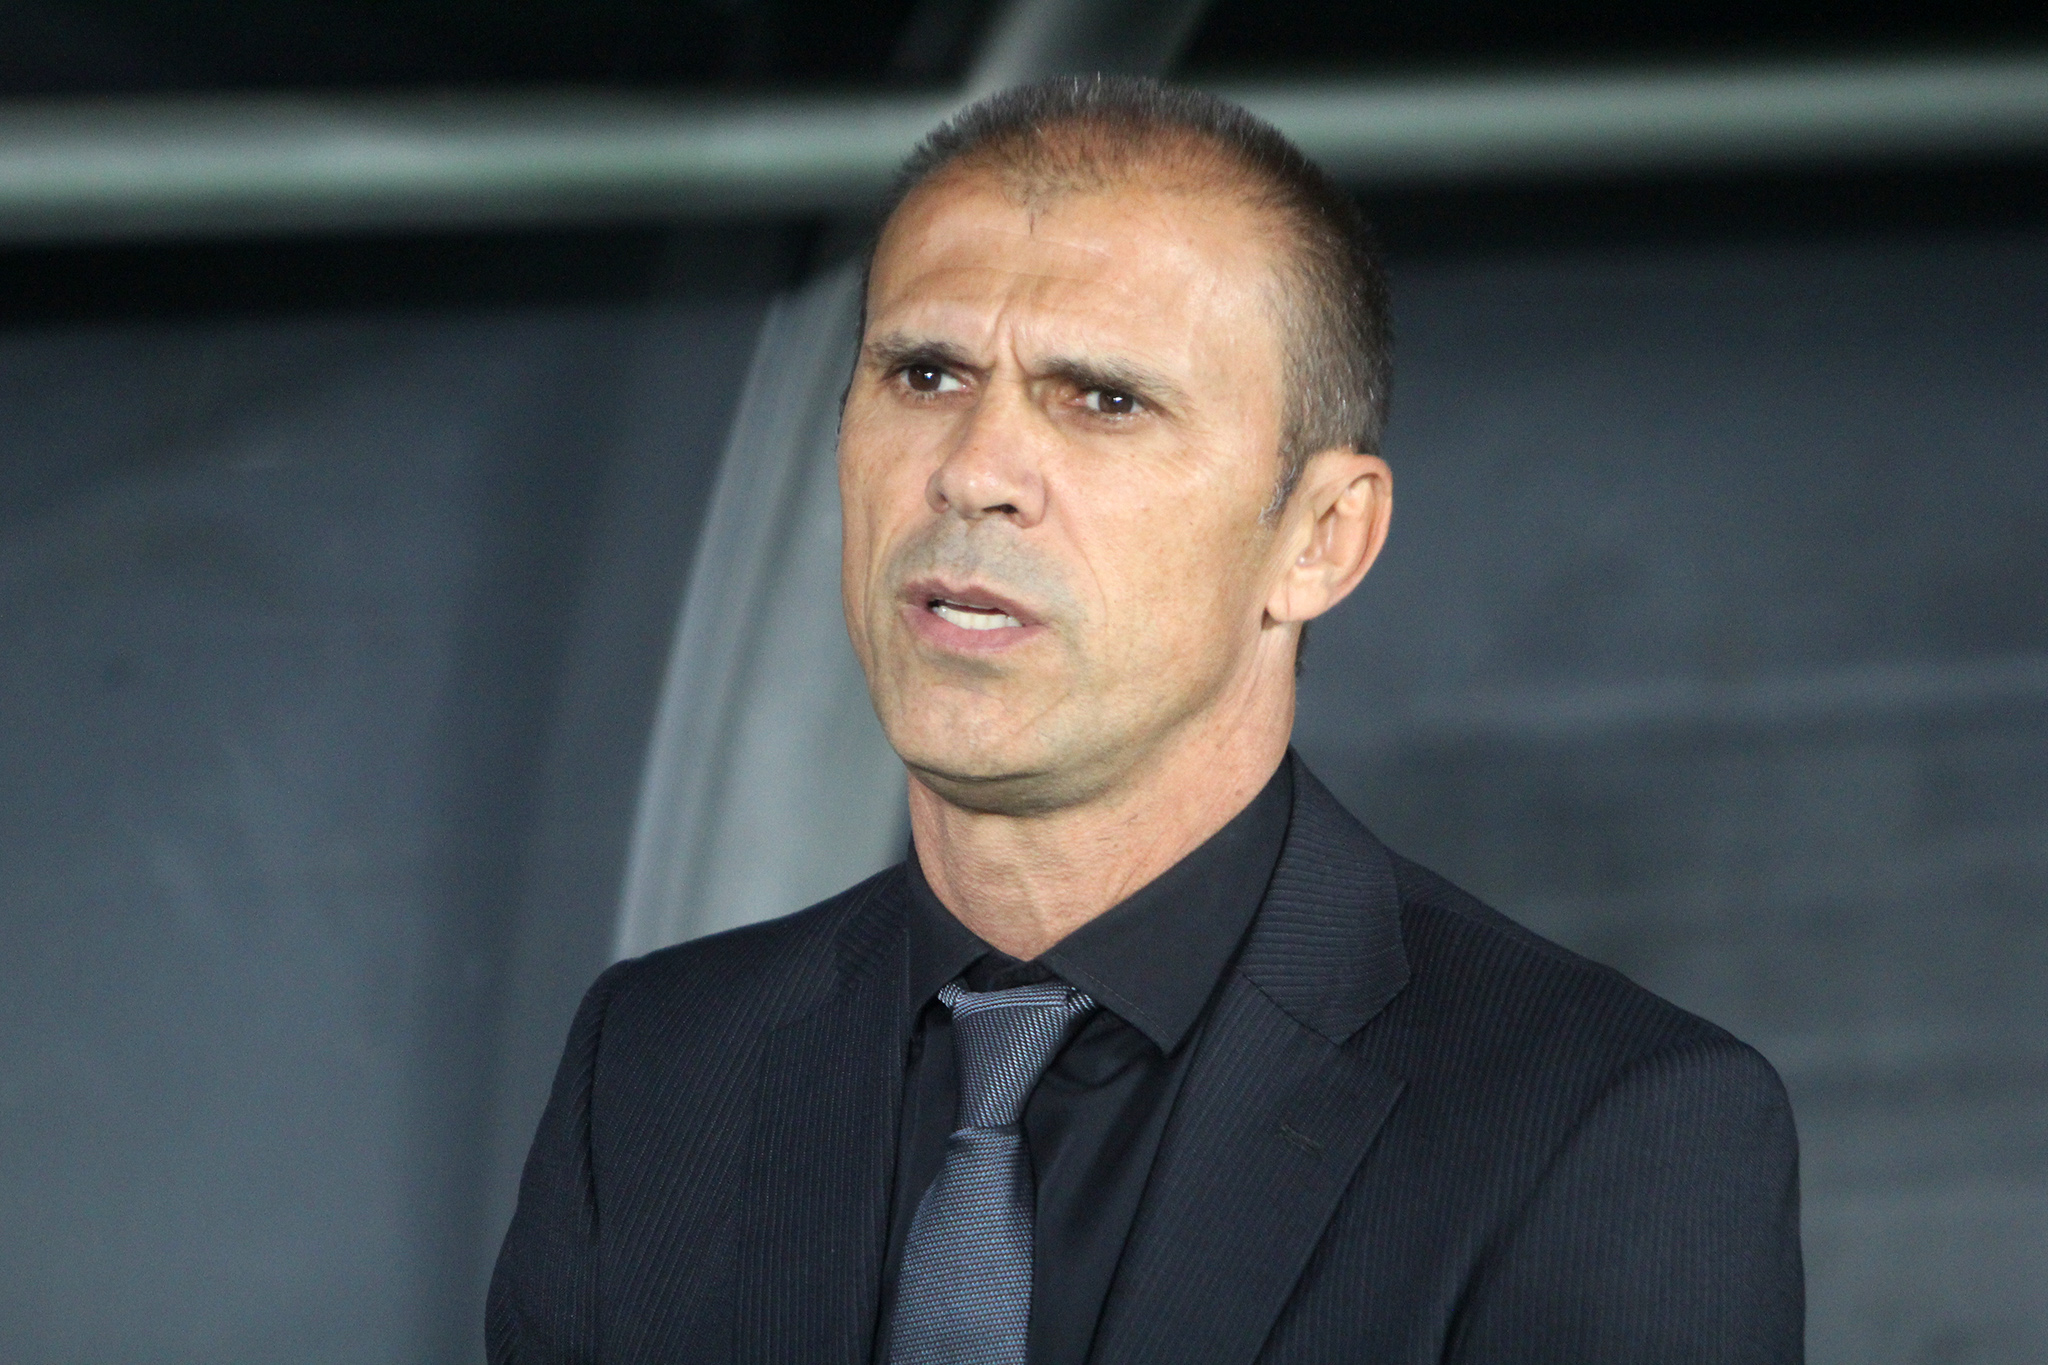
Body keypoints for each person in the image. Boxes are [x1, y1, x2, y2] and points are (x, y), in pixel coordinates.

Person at [488, 76, 1803, 1365]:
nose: (974, 470)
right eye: (927, 372)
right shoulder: (654, 1066)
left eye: (1105, 398)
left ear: (1322, 539)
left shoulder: (1604, 1133)